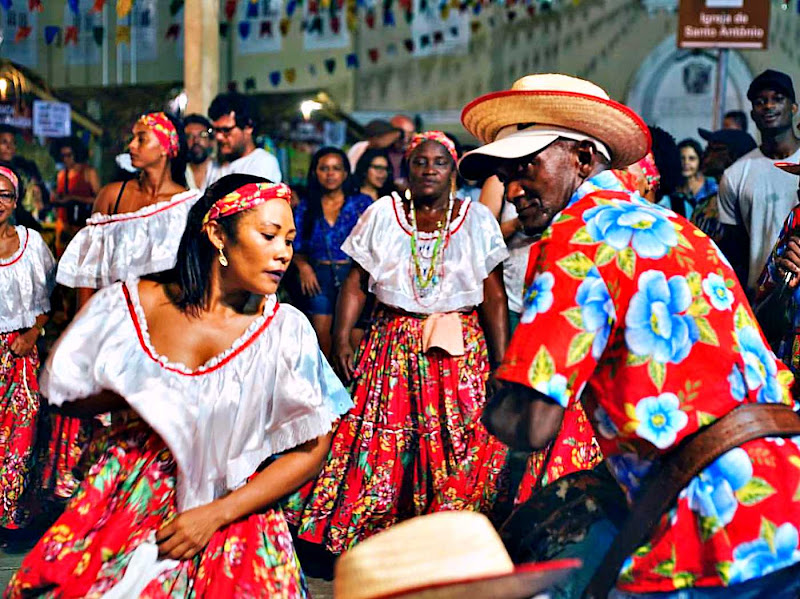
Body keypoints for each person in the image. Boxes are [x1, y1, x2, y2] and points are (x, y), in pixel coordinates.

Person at [462, 73, 800, 597]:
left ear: (581, 157)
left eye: (526, 167)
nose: (511, 190)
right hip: (785, 497)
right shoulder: (679, 228)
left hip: (710, 528)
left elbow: (533, 423)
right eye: (505, 176)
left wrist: (495, 401)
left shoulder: (576, 237)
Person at [6, 176, 352, 598]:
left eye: (290, 240)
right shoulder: (135, 304)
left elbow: (312, 449)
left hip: (235, 515)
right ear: (216, 233)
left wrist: (215, 515)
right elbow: (63, 394)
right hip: (131, 501)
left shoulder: (284, 331)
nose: (283, 253)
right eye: (268, 235)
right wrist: (132, 388)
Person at [285, 131, 510, 554]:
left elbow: (494, 294)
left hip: (460, 348)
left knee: (459, 440)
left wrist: (502, 361)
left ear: (453, 170)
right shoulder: (383, 214)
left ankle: (452, 535)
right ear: (407, 168)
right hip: (393, 344)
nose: (429, 170)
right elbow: (355, 283)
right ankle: (381, 538)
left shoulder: (477, 219)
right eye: (420, 162)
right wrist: (341, 338)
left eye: (439, 163)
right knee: (385, 442)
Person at [47, 112, 196, 502]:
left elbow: (191, 278)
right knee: (106, 410)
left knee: (149, 413)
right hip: (114, 323)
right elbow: (88, 271)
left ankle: (143, 497)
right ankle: (102, 494)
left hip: (162, 327)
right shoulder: (112, 195)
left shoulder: (187, 206)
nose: (131, 146)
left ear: (166, 148)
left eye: (141, 139)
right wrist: (84, 327)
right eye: (132, 138)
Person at [0, 164, 55, 532]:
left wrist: (34, 333)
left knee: (21, 438)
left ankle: (9, 518)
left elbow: (51, 298)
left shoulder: (32, 243)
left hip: (21, 353)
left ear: (15, 201)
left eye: (3, 195)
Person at [718, 69, 800, 294]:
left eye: (777, 99)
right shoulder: (735, 175)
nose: (768, 106)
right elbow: (734, 251)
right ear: (753, 113)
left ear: (793, 107)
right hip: (761, 301)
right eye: (760, 101)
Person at [293, 147, 372, 355]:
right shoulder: (307, 206)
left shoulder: (361, 203)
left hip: (354, 276)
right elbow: (295, 244)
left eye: (336, 168)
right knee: (322, 342)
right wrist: (303, 267)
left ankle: (352, 387)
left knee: (353, 341)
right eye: (324, 168)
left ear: (345, 173)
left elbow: (374, 244)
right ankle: (328, 387)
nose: (330, 174)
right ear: (315, 172)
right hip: (318, 277)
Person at [691, 128, 756, 284]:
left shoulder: (746, 203)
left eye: (714, 149)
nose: (705, 154)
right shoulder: (706, 202)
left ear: (732, 157)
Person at [208, 93, 281, 183]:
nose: (218, 137)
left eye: (226, 130)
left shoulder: (263, 162)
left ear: (248, 127)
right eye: (216, 130)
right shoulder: (215, 165)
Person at [0, 125, 48, 220]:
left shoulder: (23, 167)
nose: (9, 147)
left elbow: (44, 197)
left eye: (13, 143)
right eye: (4, 142)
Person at [675, 138, 717, 214]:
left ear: (699, 161)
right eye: (682, 158)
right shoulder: (673, 190)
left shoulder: (711, 187)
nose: (686, 163)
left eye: (692, 159)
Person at [183, 113, 217, 192]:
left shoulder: (221, 170)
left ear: (210, 140)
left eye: (202, 135)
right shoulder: (178, 173)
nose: (196, 141)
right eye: (189, 136)